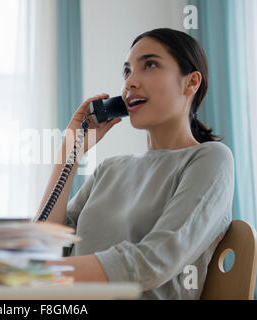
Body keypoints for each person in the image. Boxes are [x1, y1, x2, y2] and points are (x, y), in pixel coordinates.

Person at [35, 28, 234, 300]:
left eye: (149, 65)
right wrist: (70, 151)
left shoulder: (210, 159)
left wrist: (39, 273)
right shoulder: (109, 169)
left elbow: (151, 263)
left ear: (191, 82)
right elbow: (45, 247)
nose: (130, 82)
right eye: (127, 71)